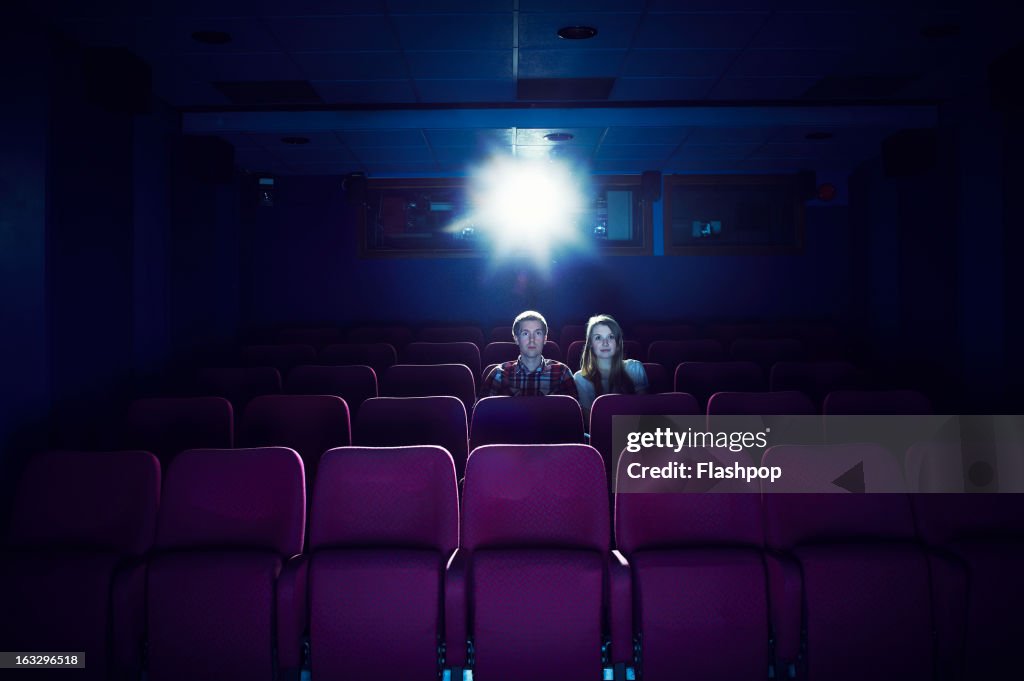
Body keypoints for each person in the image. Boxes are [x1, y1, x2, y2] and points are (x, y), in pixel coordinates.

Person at [479, 310, 578, 398]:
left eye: (538, 333)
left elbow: (575, 416)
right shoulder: (498, 374)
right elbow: (481, 415)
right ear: (516, 339)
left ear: (545, 338)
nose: (532, 339)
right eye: (525, 333)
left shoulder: (562, 373)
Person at [573, 314, 648, 419]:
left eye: (611, 337)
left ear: (617, 343)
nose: (605, 343)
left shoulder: (635, 368)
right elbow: (589, 421)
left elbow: (643, 413)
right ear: (590, 344)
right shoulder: (580, 378)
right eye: (598, 338)